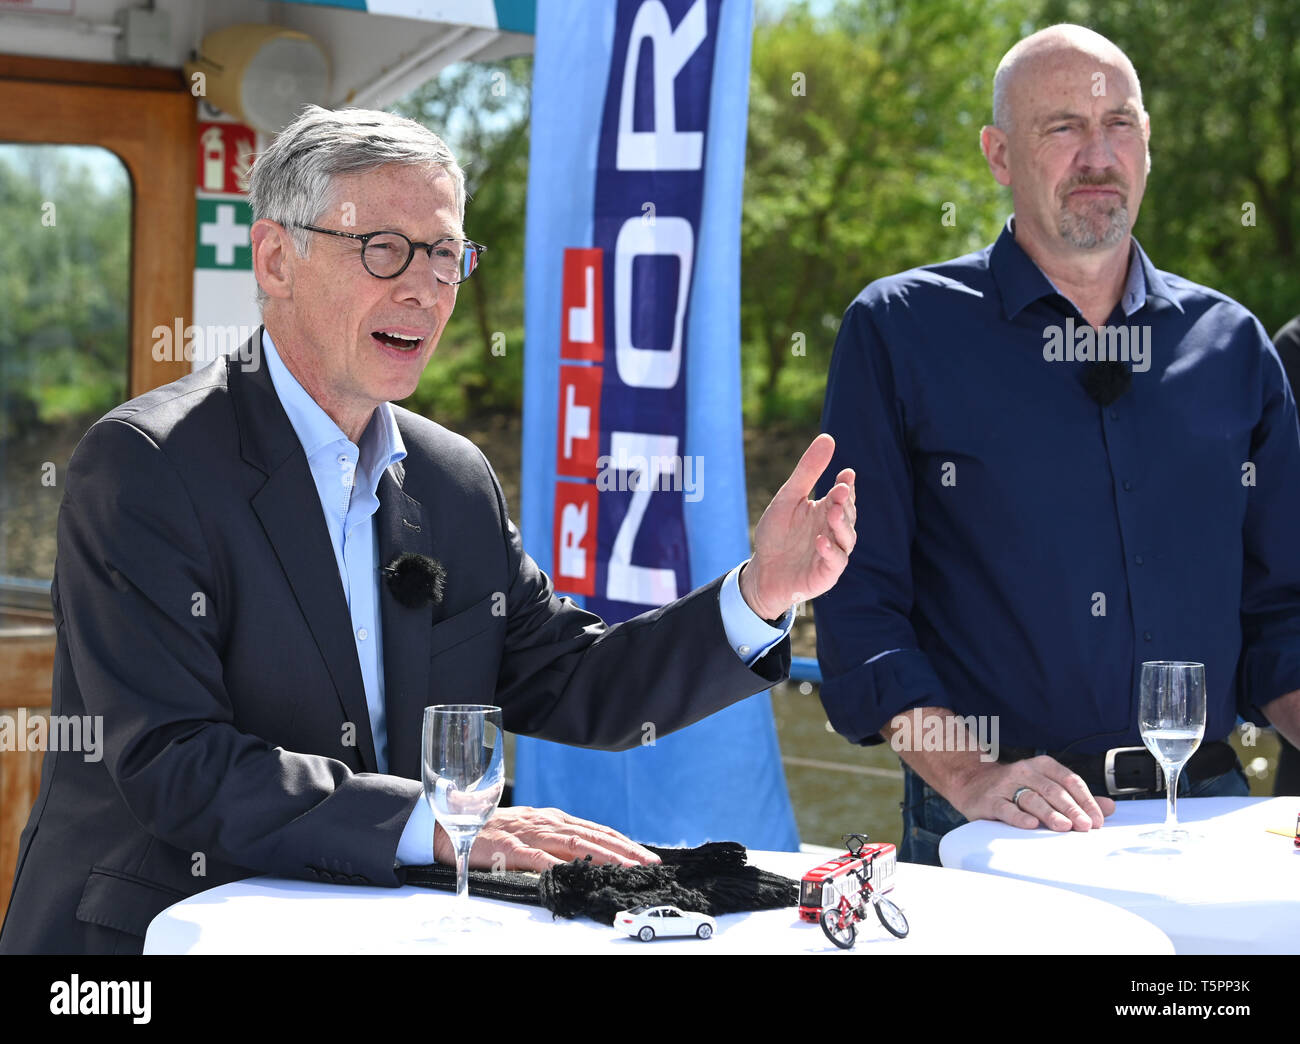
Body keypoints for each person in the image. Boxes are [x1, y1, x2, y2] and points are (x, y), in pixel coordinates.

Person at [0, 106, 857, 953]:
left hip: (378, 933)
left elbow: (575, 679)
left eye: (446, 256)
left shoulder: (452, 481)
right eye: (383, 249)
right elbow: (174, 762)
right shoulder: (147, 463)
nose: (423, 286)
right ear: (275, 258)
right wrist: (437, 825)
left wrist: (760, 593)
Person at [813, 24, 1300, 865]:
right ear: (999, 154)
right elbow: (861, 617)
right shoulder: (899, 332)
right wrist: (969, 774)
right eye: (1063, 127)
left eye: (1120, 126)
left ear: (1148, 145)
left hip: (1214, 819)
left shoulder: (1233, 346)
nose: (1097, 156)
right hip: (997, 827)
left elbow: (1282, 616)